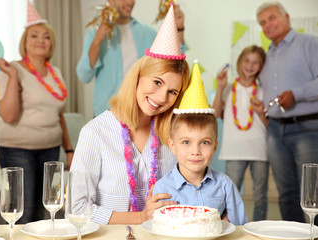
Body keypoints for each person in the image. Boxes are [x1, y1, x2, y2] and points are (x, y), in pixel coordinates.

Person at [70, 3, 189, 225]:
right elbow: (76, 209)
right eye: (156, 82)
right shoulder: (95, 134)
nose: (162, 97)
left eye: (172, 91)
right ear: (138, 75)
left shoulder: (172, 136)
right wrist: (141, 217)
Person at [0, 12, 73, 223]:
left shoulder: (55, 72)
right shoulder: (12, 69)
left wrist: (69, 149)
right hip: (17, 150)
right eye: (34, 35)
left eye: (46, 36)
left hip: (50, 148)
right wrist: (12, 77)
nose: (41, 40)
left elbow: (58, 114)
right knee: (23, 212)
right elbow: (8, 116)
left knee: (47, 212)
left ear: (52, 44)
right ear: (24, 42)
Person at [152, 62, 248, 226]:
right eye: (186, 142)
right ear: (172, 146)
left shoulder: (225, 186)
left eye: (204, 142)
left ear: (215, 146)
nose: (195, 151)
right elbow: (157, 230)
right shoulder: (163, 189)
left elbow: (240, 229)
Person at [256, 1, 318, 224]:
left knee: (312, 193)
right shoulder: (265, 56)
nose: (267, 25)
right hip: (274, 130)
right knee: (285, 193)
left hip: (307, 128)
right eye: (262, 23)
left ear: (287, 17)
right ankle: (295, 236)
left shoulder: (310, 44)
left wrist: (297, 94)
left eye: (271, 18)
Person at [76, 0, 186, 116]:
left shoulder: (147, 34)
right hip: (105, 112)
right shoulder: (95, 33)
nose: (130, 2)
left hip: (138, 115)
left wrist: (179, 28)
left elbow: (175, 63)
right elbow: (84, 76)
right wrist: (97, 41)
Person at [212, 45, 268, 221]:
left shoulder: (263, 90)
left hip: (260, 148)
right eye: (247, 60)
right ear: (239, 62)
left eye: (256, 62)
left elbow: (268, 125)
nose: (250, 65)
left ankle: (259, 228)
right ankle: (231, 228)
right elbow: (214, 114)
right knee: (230, 193)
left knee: (260, 196)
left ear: (261, 67)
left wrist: (259, 111)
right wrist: (220, 87)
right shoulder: (228, 88)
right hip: (234, 149)